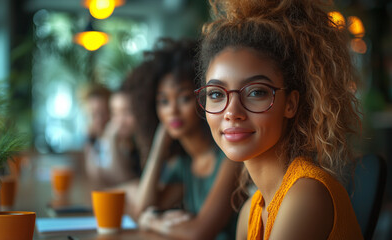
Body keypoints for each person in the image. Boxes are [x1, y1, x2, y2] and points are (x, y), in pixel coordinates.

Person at [195, 0, 364, 239]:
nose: (232, 112)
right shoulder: (251, 210)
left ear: (291, 104)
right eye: (216, 94)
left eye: (256, 92)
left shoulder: (306, 195)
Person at [133, 38, 242, 240]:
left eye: (183, 98)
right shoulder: (185, 163)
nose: (172, 111)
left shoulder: (230, 156)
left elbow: (199, 232)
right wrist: (158, 148)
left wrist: (153, 222)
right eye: (164, 101)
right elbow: (144, 209)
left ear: (204, 99)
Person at [81, 83, 140, 188]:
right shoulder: (96, 140)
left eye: (103, 113)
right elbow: (94, 176)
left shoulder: (126, 140)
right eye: (93, 114)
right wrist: (89, 141)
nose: (98, 119)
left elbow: (122, 180)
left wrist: (111, 139)